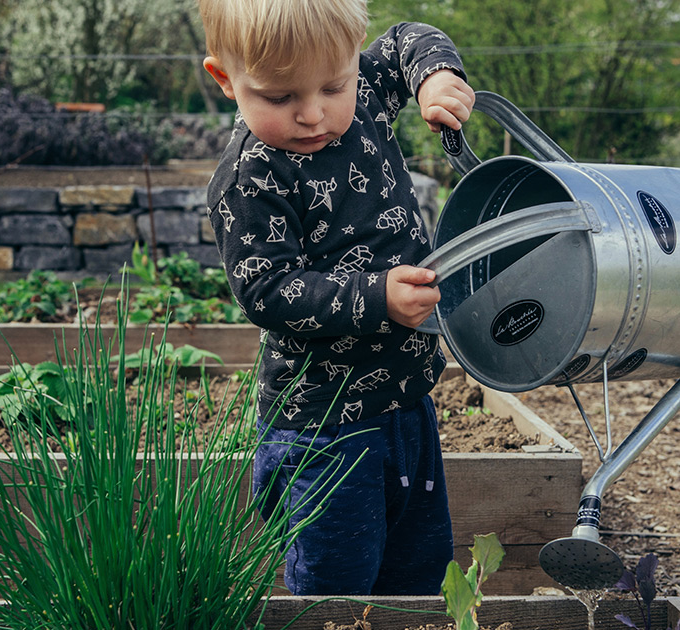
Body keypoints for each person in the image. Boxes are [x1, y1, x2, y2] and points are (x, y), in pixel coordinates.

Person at [197, 0, 475, 596]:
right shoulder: (253, 177)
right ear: (226, 79)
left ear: (353, 62)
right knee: (337, 585)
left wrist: (435, 77)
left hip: (408, 403)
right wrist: (376, 296)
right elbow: (267, 289)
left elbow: (407, 42)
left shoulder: (367, 92)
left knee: (420, 572)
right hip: (324, 428)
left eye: (333, 85)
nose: (313, 113)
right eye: (279, 97)